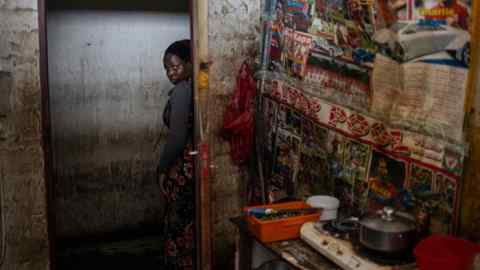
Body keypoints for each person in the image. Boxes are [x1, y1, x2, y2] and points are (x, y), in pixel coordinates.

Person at [158, 39, 195, 270]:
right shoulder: (191, 87)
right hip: (191, 166)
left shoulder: (182, 91)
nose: (171, 72)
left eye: (176, 66)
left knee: (178, 224)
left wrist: (161, 168)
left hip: (181, 168)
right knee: (188, 224)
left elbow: (177, 138)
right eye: (167, 68)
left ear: (189, 63)